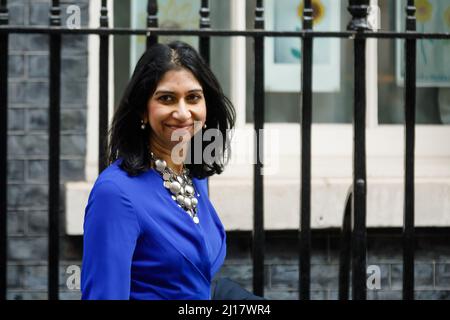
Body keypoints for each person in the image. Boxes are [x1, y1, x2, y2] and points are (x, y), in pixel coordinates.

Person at [81, 41, 261, 300]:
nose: (182, 112)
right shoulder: (116, 194)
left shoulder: (193, 175)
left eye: (193, 98)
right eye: (166, 98)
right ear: (143, 109)